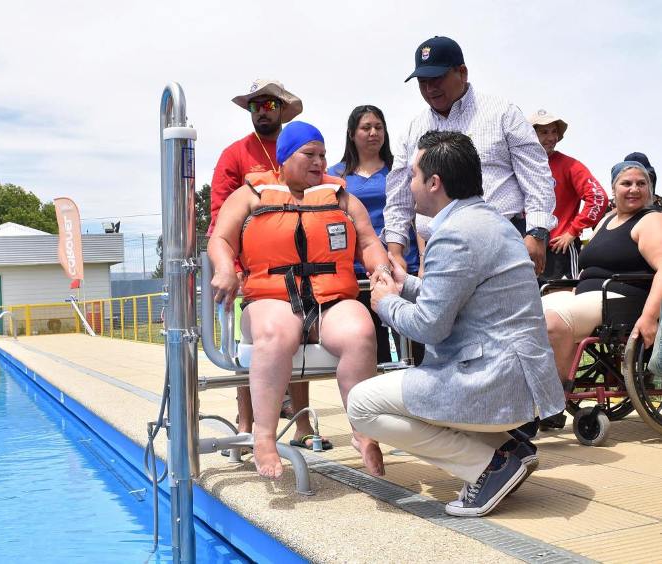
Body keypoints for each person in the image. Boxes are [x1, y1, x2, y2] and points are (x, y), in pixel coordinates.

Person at [348, 131, 565, 517]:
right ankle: (508, 447)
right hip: (520, 378)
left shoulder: (455, 234)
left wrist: (386, 304)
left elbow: (430, 326)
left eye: (413, 175)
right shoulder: (491, 221)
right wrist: (406, 285)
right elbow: (460, 295)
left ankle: (490, 466)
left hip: (493, 380)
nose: (409, 184)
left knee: (362, 404)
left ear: (435, 182)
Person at [208, 121, 389, 479]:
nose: (320, 162)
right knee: (277, 336)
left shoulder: (341, 197)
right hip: (271, 298)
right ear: (285, 158)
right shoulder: (250, 195)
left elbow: (368, 242)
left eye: (323, 155)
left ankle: (363, 432)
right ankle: (263, 436)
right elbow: (221, 240)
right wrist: (225, 268)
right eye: (310, 154)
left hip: (330, 300)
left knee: (360, 332)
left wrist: (380, 267)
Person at [383, 35, 556, 277]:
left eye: (437, 78)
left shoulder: (503, 114)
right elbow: (399, 197)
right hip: (437, 251)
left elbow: (536, 176)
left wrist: (537, 232)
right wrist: (396, 251)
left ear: (462, 72)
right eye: (423, 81)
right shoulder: (413, 130)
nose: (430, 88)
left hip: (500, 244)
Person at [206, 79, 307, 440]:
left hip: (297, 264)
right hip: (249, 270)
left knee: (302, 340)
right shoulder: (234, 154)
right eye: (255, 106)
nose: (262, 111)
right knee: (248, 349)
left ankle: (303, 425)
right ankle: (246, 425)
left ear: (281, 109)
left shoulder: (298, 152)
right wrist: (230, 269)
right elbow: (219, 216)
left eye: (269, 105)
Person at [543, 161, 662, 386]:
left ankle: (554, 398)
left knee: (553, 322)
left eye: (641, 183)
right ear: (614, 189)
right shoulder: (607, 219)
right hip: (588, 295)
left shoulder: (650, 220)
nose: (634, 189)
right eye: (626, 183)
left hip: (622, 299)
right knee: (524, 314)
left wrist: (648, 317)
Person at [328, 105, 424, 365]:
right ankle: (378, 404)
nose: (373, 133)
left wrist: (423, 262)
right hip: (358, 270)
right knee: (371, 347)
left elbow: (417, 215)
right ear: (351, 133)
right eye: (366, 127)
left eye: (378, 127)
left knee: (416, 345)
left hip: (403, 265)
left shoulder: (400, 169)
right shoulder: (334, 175)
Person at [528, 109, 608, 283]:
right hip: (526, 249)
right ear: (530, 135)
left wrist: (572, 231)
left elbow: (599, 197)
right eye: (544, 132)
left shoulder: (570, 165)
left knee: (561, 301)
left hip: (559, 249)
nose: (551, 137)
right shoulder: (522, 165)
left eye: (554, 131)